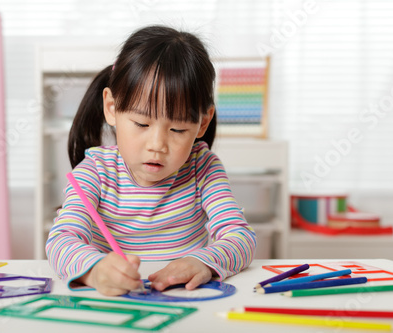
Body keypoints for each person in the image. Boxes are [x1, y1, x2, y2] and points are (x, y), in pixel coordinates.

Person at [46, 25, 257, 296]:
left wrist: (203, 262)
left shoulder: (203, 169)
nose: (157, 145)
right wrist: (95, 271)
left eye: (177, 130)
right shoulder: (95, 172)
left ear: (202, 123)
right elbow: (61, 240)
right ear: (112, 108)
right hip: (113, 304)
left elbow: (241, 237)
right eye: (142, 123)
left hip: (186, 300)